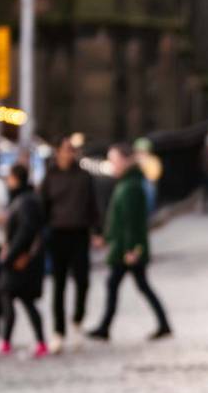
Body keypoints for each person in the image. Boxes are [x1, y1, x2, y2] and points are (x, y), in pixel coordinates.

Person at [87, 144, 172, 342]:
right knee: (134, 285)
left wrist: (133, 249)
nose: (112, 164)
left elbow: (132, 222)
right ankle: (161, 324)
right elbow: (119, 220)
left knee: (122, 285)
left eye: (114, 159)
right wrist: (107, 238)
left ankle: (105, 327)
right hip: (124, 247)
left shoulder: (132, 185)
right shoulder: (126, 183)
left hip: (127, 250)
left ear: (125, 160)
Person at [39, 136, 101, 353]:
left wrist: (98, 231)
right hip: (57, 234)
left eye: (71, 150)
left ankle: (78, 317)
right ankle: (59, 331)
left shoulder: (83, 176)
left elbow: (93, 205)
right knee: (59, 285)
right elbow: (43, 207)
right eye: (65, 150)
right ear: (58, 152)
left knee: (82, 280)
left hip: (79, 233)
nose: (68, 154)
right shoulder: (50, 177)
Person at [0, 164, 47, 358]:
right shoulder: (24, 199)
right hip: (24, 260)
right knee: (22, 300)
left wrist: (10, 256)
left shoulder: (24, 201)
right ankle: (37, 342)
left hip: (22, 261)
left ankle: (7, 342)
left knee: (7, 296)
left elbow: (26, 231)